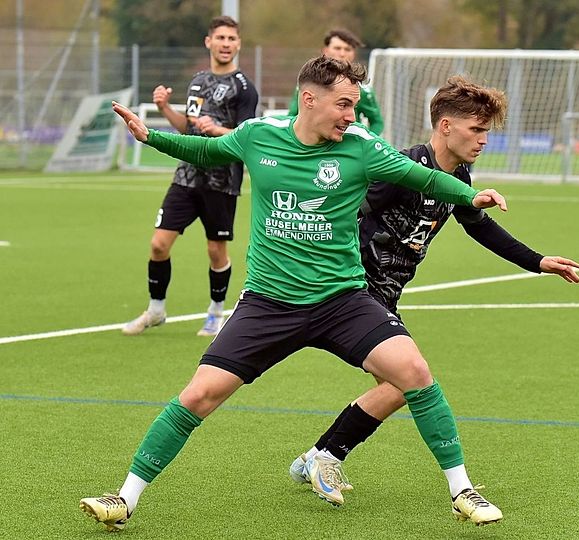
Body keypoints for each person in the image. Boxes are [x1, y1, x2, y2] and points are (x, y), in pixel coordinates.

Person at [80, 56, 510, 532]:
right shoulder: (258, 135)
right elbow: (205, 153)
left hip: (341, 300)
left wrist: (470, 195)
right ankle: (123, 498)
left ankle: (461, 490)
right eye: (344, 104)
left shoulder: (361, 147)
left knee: (414, 373)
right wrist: (150, 136)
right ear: (310, 99)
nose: (351, 115)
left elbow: (425, 178)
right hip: (267, 303)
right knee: (200, 395)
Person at [286, 76, 579, 507]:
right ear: (445, 126)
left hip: (383, 295)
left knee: (400, 385)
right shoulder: (402, 168)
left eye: (486, 132)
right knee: (407, 381)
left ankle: (316, 456)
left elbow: (477, 225)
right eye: (476, 130)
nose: (483, 140)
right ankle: (327, 456)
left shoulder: (459, 174)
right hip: (353, 291)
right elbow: (344, 210)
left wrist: (536, 261)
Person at [122, 15, 259, 337]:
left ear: (238, 45)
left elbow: (247, 137)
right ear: (208, 42)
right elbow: (188, 127)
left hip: (221, 181)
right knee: (158, 244)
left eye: (231, 39)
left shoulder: (244, 88)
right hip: (186, 177)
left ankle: (215, 312)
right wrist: (166, 108)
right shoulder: (197, 80)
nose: (226, 44)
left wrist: (219, 130)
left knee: (215, 251)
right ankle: (156, 309)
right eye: (220, 38)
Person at [287, 29, 383, 134]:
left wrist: (363, 143)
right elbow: (292, 116)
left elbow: (377, 122)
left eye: (347, 49)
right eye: (337, 48)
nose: (342, 54)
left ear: (353, 54)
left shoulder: (362, 89)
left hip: (344, 146)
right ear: (325, 50)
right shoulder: (310, 83)